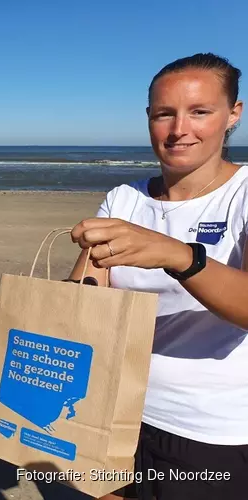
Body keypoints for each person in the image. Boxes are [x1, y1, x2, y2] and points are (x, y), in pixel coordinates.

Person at [68, 53, 247, 500]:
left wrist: (180, 256)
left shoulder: (241, 194)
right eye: (164, 114)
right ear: (149, 119)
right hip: (114, 407)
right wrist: (80, 279)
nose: (179, 129)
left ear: (233, 115)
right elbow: (84, 310)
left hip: (209, 427)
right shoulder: (124, 199)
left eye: (200, 111)